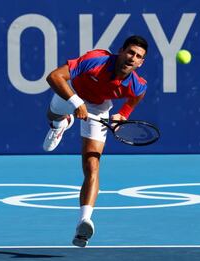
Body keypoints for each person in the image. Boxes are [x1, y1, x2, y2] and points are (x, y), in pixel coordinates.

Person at [43, 35, 148, 247]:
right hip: (72, 93)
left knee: (92, 165)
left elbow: (135, 98)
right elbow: (54, 76)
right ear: (121, 51)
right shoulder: (96, 60)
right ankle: (60, 124)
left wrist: (123, 115)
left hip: (99, 108)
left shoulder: (137, 85)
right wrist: (76, 102)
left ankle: (84, 221)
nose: (132, 58)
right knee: (53, 115)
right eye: (130, 52)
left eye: (138, 56)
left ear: (140, 63)